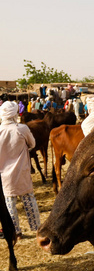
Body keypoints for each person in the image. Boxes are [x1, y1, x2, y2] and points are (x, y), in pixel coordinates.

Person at [0, 101, 41, 239]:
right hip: (22, 170)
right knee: (28, 198)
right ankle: (37, 229)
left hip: (4, 174)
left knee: (9, 202)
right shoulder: (21, 129)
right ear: (14, 113)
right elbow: (33, 144)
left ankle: (16, 232)